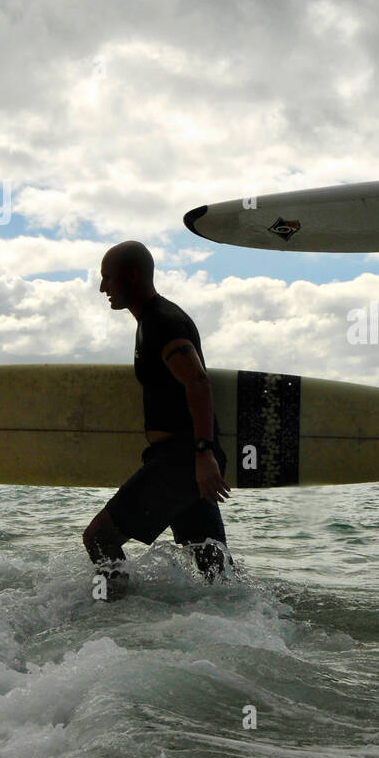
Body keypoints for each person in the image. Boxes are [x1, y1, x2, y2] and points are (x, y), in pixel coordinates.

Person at [81, 241, 231, 596]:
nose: (103, 287)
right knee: (214, 570)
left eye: (107, 278)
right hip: (183, 459)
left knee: (99, 538)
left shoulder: (162, 322)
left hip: (182, 459)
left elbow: (197, 381)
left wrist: (203, 453)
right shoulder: (152, 321)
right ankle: (240, 619)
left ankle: (119, 614)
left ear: (131, 276)